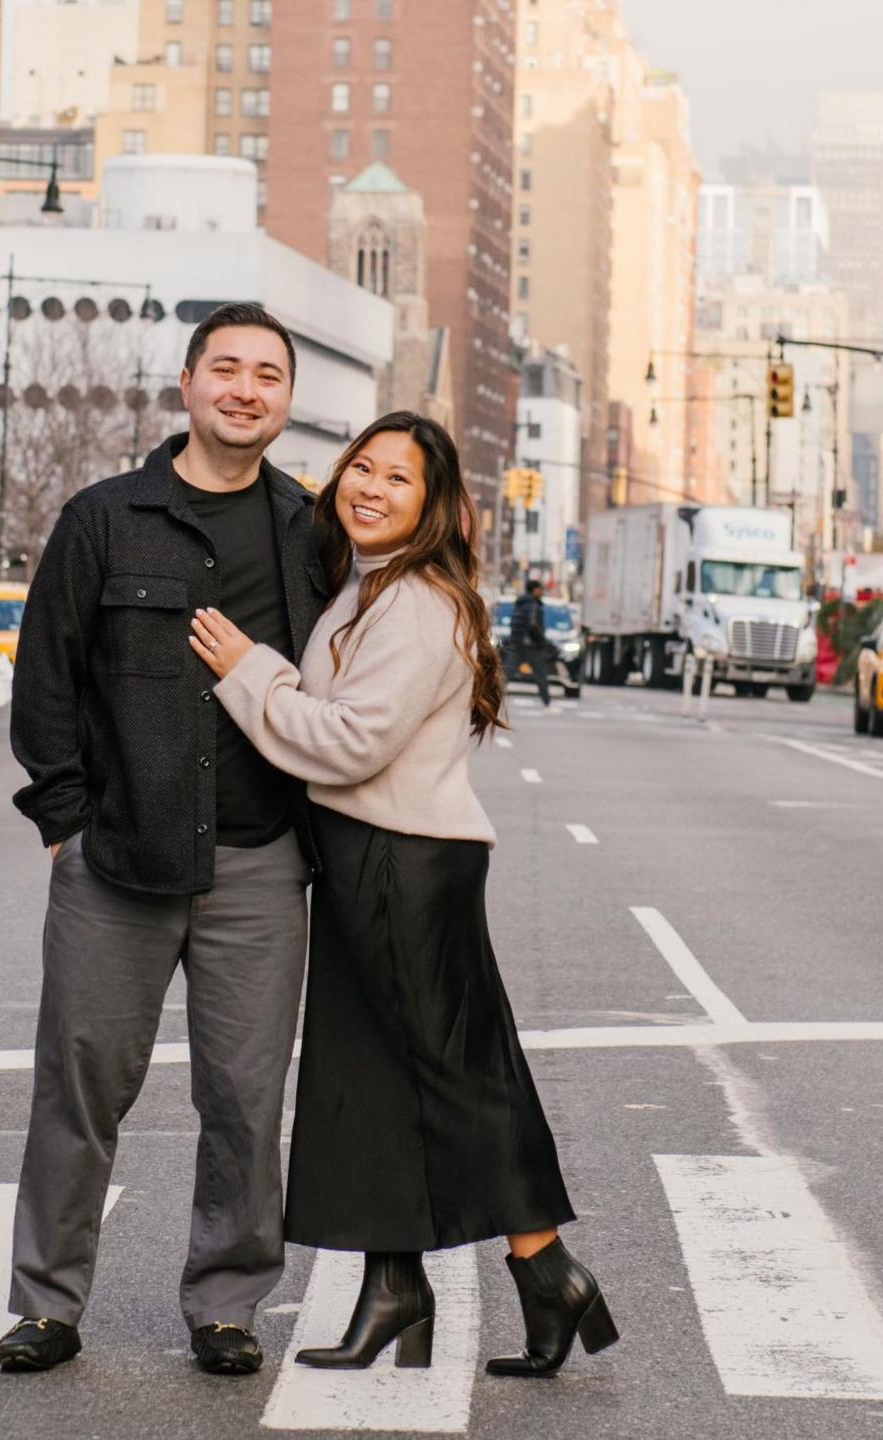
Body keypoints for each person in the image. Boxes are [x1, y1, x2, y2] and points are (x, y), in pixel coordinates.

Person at [189, 411, 616, 1379]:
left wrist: (245, 670)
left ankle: (547, 1271)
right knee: (375, 1076)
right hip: (375, 854)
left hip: (401, 861)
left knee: (450, 1078)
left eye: (398, 481)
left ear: (430, 509)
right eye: (361, 470)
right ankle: (397, 1289)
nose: (370, 489)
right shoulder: (372, 586)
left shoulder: (418, 602)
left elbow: (349, 741)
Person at [0, 303, 321, 1379]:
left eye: (266, 375)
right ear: (184, 384)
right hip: (118, 863)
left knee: (243, 1095)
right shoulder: (104, 518)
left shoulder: (308, 534)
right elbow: (45, 676)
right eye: (224, 369)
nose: (244, 389)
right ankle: (48, 1304)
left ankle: (225, 1306)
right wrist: (63, 826)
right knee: (80, 1086)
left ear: (287, 399)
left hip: (260, 863)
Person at [510, 577, 556, 708]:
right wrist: (542, 642)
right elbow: (533, 625)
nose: (542, 592)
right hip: (531, 645)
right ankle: (546, 701)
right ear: (535, 590)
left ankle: (490, 699)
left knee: (506, 673)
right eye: (540, 589)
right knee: (540, 673)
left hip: (517, 643)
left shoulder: (520, 604)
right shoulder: (533, 605)